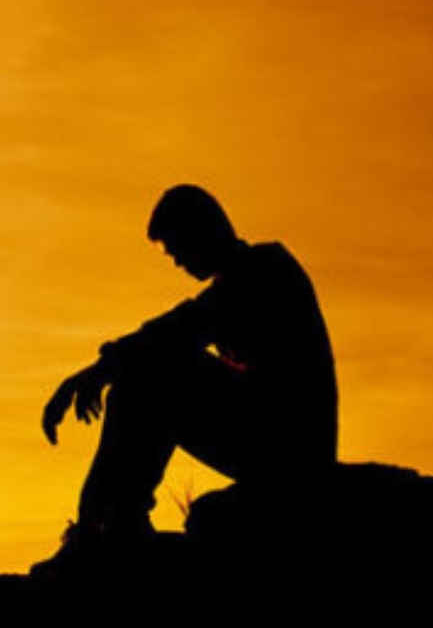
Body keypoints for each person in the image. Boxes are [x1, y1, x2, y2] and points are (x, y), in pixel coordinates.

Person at [37, 183, 338, 564]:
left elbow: (184, 327)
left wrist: (97, 372)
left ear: (200, 232)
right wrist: (103, 368)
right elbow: (184, 323)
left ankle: (107, 522)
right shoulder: (240, 279)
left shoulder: (265, 269)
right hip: (273, 438)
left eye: (177, 249)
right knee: (147, 369)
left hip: (290, 448)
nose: (178, 262)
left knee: (151, 372)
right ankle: (105, 520)